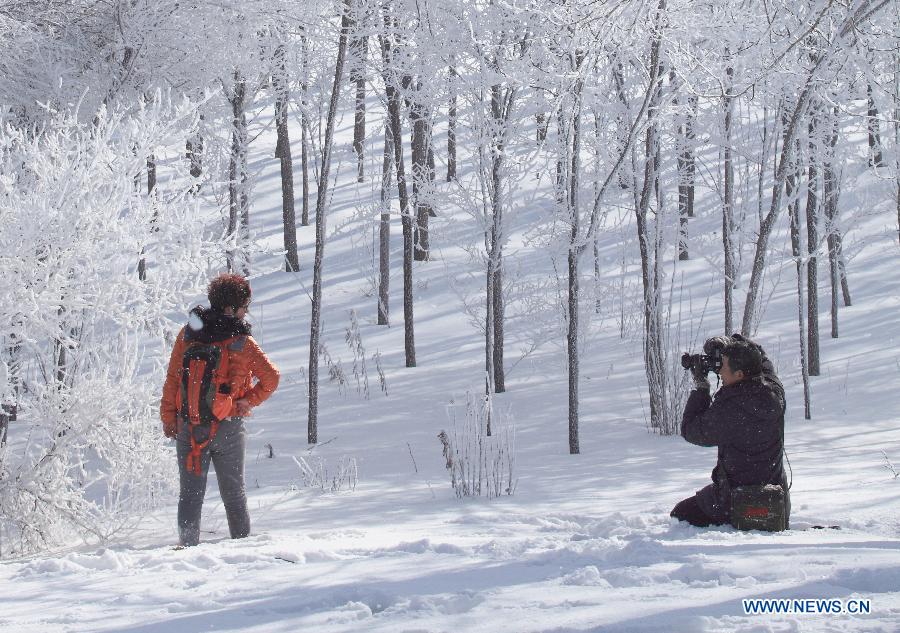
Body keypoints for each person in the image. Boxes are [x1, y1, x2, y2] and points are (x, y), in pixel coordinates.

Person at [160, 273, 280, 546]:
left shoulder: (189, 334)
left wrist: (169, 418)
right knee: (234, 494)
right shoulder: (243, 342)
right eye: (243, 306)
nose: (246, 310)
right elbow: (272, 378)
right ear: (230, 308)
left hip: (189, 426)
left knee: (190, 496)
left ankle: (188, 550)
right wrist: (247, 401)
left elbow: (173, 379)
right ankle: (241, 549)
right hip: (229, 426)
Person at [671, 334, 790, 529]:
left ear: (739, 374)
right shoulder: (774, 392)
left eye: (723, 366)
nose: (719, 371)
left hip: (738, 502)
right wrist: (730, 343)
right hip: (776, 501)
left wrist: (701, 387)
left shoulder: (731, 409)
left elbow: (691, 429)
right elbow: (762, 359)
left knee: (680, 515)